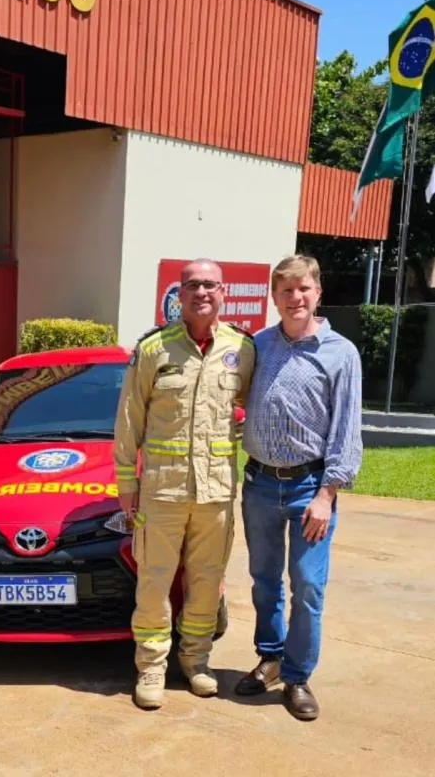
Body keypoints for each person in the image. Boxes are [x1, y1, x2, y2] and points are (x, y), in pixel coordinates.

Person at [113, 259, 255, 709]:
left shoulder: (243, 349)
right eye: (193, 284)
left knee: (207, 581)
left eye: (210, 284)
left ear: (223, 292)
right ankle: (152, 667)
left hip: (214, 492)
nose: (202, 292)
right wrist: (125, 481)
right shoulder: (155, 349)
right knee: (153, 581)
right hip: (162, 490)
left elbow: (253, 406)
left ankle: (196, 662)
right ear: (180, 293)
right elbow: (129, 417)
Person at [235, 255, 362, 722]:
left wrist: (327, 495)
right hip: (260, 484)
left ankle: (297, 676)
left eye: (304, 289)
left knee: (308, 584)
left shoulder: (340, 353)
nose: (296, 298)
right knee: (265, 581)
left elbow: (346, 430)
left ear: (318, 292)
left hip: (312, 487)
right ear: (274, 297)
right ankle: (269, 659)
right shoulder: (259, 346)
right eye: (286, 291)